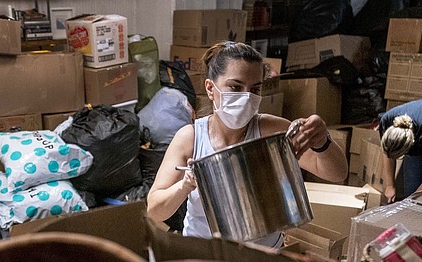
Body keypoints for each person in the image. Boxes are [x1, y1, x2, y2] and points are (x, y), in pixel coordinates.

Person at [146, 41, 348, 248]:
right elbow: (155, 210)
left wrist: (322, 142)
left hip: (262, 256)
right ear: (210, 88)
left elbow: (337, 173)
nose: (246, 96)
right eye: (235, 87)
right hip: (204, 254)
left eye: (255, 89)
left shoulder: (272, 132)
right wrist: (185, 185)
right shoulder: (191, 139)